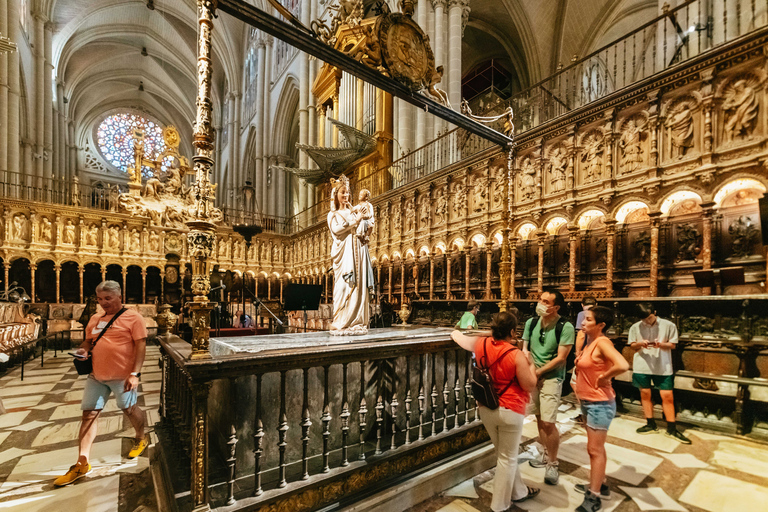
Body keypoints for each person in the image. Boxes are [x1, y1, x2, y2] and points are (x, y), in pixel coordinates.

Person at [54, 280, 148, 487]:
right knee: (89, 414)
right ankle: (82, 462)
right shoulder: (96, 318)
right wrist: (83, 350)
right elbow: (89, 341)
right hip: (96, 375)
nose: (103, 302)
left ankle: (141, 437)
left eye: (108, 298)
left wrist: (135, 373)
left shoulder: (134, 317)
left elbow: (141, 346)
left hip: (123, 375)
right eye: (100, 299)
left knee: (129, 409)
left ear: (119, 297)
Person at [451, 312, 540, 511]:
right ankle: (499, 506)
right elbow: (529, 384)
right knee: (507, 458)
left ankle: (519, 492)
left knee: (503, 453)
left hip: (486, 407)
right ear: (512, 331)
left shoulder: (480, 344)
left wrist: (487, 333)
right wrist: (532, 364)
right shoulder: (515, 354)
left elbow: (455, 335)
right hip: (511, 409)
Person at [573, 306, 629, 512]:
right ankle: (600, 484)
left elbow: (622, 365)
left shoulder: (603, 342)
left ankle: (593, 496)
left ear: (601, 325)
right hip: (589, 402)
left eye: (588, 320)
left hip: (600, 403)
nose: (583, 323)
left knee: (594, 450)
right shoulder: (591, 342)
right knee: (596, 448)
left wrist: (605, 377)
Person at [523, 289, 574, 485]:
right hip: (532, 375)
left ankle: (553, 462)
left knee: (549, 421)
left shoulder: (565, 326)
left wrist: (537, 373)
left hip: (551, 378)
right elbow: (525, 349)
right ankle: (545, 453)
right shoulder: (532, 322)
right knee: (538, 417)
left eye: (546, 301)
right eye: (540, 299)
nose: (541, 303)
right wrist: (530, 370)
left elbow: (561, 358)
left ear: (556, 307)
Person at [629, 303, 691, 443]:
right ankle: (650, 424)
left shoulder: (668, 325)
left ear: (655, 312)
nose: (647, 321)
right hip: (642, 364)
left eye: (649, 318)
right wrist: (640, 343)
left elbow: (673, 345)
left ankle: (672, 428)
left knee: (667, 395)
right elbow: (632, 345)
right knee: (645, 394)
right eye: (644, 319)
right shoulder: (635, 327)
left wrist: (661, 344)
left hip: (663, 365)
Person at [327, 176, 371, 334]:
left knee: (359, 286)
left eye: (347, 192)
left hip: (357, 252)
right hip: (344, 255)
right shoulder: (333, 214)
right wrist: (357, 219)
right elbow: (337, 230)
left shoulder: (353, 211)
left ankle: (356, 321)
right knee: (344, 285)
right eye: (342, 192)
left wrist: (366, 222)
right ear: (336, 195)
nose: (346, 195)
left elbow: (362, 228)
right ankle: (341, 320)